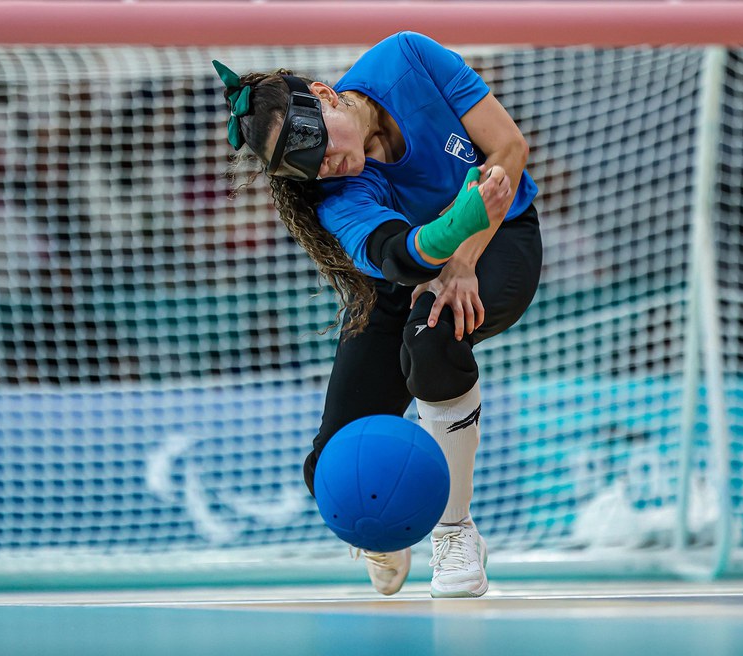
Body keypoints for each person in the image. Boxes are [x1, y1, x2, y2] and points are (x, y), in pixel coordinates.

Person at [213, 31, 542, 598]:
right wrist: (448, 241)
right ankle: (388, 527)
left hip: (501, 233)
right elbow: (398, 256)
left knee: (433, 338)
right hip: (408, 268)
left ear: (325, 95)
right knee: (333, 469)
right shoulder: (335, 192)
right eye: (313, 171)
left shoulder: (407, 57)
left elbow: (508, 150)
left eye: (326, 151)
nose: (333, 169)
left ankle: (455, 530)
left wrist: (464, 257)